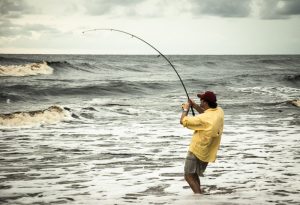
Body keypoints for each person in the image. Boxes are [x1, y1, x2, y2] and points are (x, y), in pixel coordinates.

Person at [180, 91, 224, 194]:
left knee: (188, 175)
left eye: (201, 100)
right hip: (208, 151)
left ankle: (198, 197)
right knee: (194, 174)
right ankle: (199, 193)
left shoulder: (203, 118)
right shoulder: (219, 111)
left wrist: (186, 108)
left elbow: (183, 121)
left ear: (205, 103)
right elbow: (206, 113)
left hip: (197, 150)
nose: (200, 102)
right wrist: (194, 105)